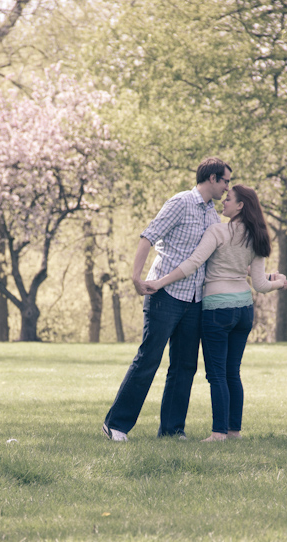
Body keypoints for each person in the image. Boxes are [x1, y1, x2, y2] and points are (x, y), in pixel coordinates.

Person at [142, 185, 287, 441]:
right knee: (233, 372)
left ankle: (218, 432)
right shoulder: (257, 236)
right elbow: (261, 285)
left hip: (217, 310)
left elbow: (192, 263)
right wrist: (280, 282)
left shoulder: (218, 231)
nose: (224, 203)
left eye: (229, 200)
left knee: (217, 373)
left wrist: (160, 282)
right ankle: (234, 431)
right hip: (243, 310)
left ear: (240, 206)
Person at [102, 157, 232, 442]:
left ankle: (172, 430)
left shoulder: (213, 216)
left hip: (196, 300)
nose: (227, 187)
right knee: (149, 358)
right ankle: (116, 425)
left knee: (185, 365)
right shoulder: (180, 202)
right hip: (165, 295)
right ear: (212, 178)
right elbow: (148, 237)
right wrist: (136, 278)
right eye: (225, 181)